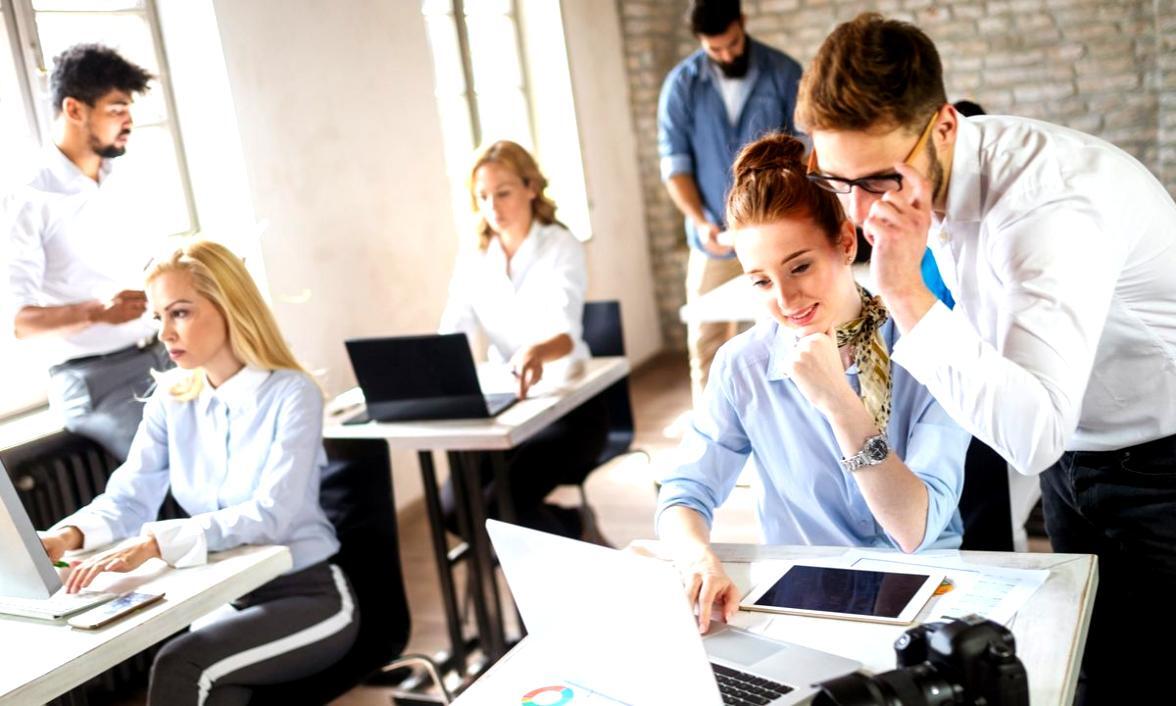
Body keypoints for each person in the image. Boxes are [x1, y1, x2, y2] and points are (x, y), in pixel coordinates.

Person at [795, 13, 1176, 703]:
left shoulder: (1049, 209)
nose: (857, 210)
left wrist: (904, 291)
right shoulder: (921, 175)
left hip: (1159, 463)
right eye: (837, 179)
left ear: (943, 126)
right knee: (1088, 660)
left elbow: (1030, 439)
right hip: (1076, 456)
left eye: (877, 178)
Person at [655, 133, 969, 632]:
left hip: (928, 592)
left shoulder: (928, 344)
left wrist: (838, 402)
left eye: (800, 266)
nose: (785, 298)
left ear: (845, 243)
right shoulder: (743, 366)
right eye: (761, 280)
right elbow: (684, 494)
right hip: (805, 598)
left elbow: (914, 529)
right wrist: (698, 559)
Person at [38, 240, 358, 705]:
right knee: (200, 681)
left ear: (230, 307)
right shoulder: (172, 399)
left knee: (183, 665)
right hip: (226, 597)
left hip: (308, 596)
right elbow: (130, 496)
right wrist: (65, 537)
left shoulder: (293, 394)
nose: (165, 333)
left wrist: (154, 543)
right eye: (158, 317)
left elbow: (273, 515)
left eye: (181, 313)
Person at [5, 44, 169, 461]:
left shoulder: (121, 178)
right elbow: (19, 323)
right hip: (95, 381)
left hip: (164, 354)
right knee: (166, 465)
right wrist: (97, 312)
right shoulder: (26, 198)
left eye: (129, 108)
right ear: (75, 110)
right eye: (116, 109)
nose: (128, 121)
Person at [439, 140, 609, 542]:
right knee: (451, 510)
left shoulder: (559, 244)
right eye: (482, 197)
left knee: (504, 506)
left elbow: (565, 332)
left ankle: (548, 589)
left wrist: (536, 351)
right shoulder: (474, 259)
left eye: (503, 193)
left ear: (531, 187)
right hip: (507, 411)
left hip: (571, 409)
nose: (493, 207)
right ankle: (573, 527)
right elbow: (453, 331)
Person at [658, 0, 803, 405]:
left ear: (742, 23)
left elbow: (805, 153)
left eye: (732, 44)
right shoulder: (680, 86)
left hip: (775, 232)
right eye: (715, 49)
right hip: (713, 239)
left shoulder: (784, 73)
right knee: (705, 338)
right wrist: (699, 220)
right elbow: (675, 166)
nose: (726, 55)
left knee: (785, 329)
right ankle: (712, 430)